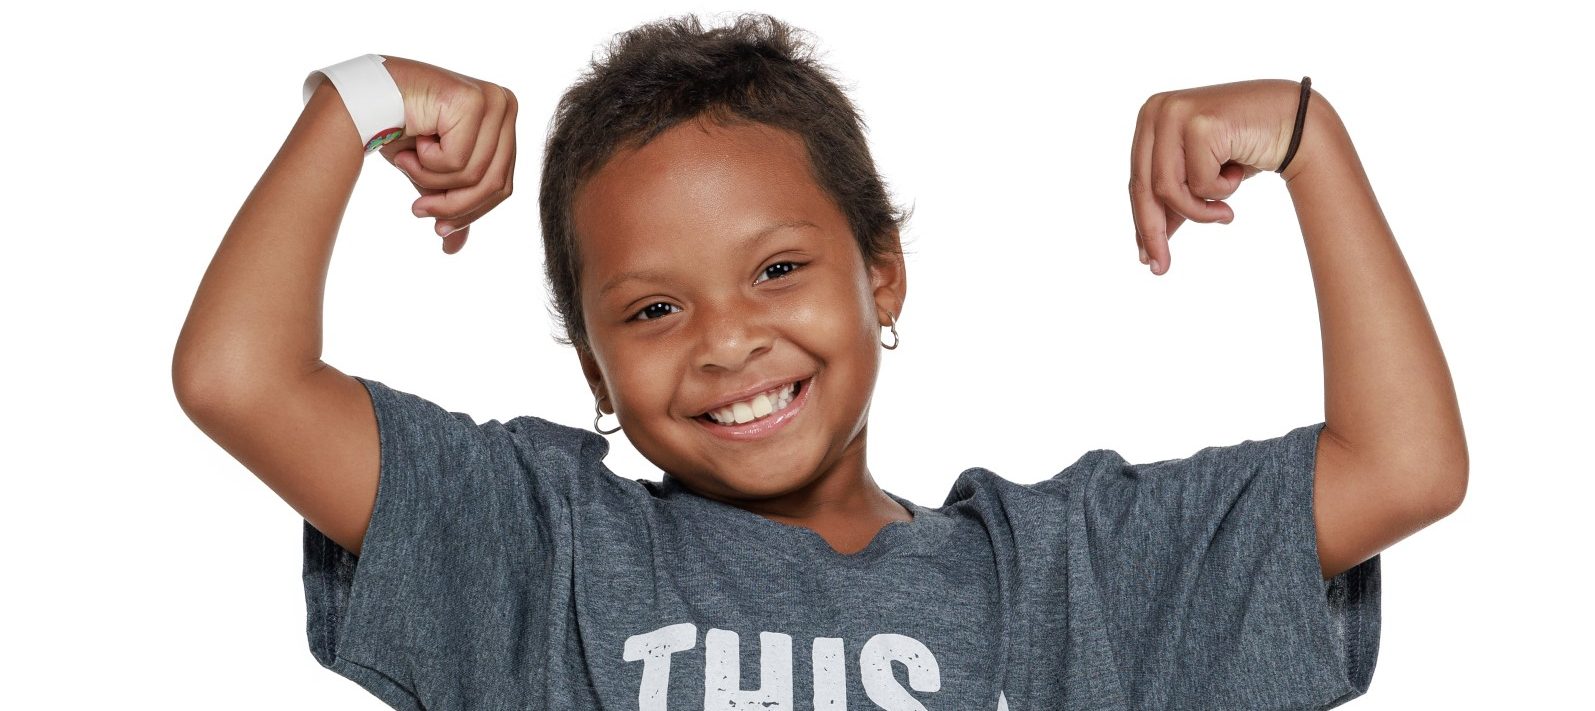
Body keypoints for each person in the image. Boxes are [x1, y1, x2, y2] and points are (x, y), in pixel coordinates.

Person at [172, 13, 1467, 710]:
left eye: (778, 269)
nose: (730, 340)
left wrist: (1313, 144)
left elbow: (1401, 468)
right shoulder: (540, 548)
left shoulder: (1064, 574)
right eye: (650, 311)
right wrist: (355, 100)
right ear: (591, 371)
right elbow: (239, 377)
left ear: (881, 273)